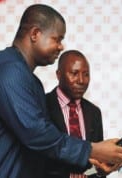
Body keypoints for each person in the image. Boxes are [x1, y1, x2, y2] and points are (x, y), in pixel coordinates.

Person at [0, 4, 122, 178]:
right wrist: (93, 150)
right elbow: (36, 134)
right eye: (57, 39)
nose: (61, 47)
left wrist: (93, 164)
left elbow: (38, 150)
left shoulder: (29, 80)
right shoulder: (8, 70)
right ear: (35, 34)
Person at [45, 50, 107, 178]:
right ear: (58, 75)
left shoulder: (94, 112)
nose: (81, 80)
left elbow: (98, 161)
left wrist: (103, 169)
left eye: (86, 74)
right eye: (74, 73)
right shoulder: (42, 105)